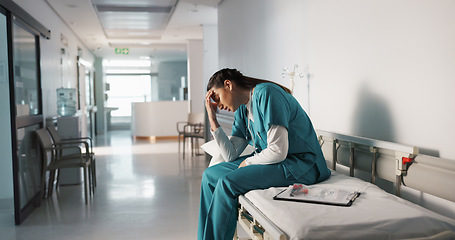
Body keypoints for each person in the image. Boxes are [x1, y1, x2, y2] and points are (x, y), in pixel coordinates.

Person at [198, 68, 331, 240]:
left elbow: (278, 151)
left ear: (228, 85)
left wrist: (247, 163)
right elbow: (230, 155)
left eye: (216, 97)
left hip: (301, 164)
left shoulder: (267, 93)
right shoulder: (242, 110)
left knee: (227, 183)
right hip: (274, 161)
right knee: (209, 176)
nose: (218, 105)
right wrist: (212, 118)